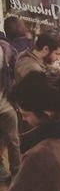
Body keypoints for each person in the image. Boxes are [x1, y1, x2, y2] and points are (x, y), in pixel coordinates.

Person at [0, 31, 20, 182]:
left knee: (13, 140)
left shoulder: (6, 50)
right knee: (11, 140)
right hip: (6, 101)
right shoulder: (7, 49)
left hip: (5, 102)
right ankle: (10, 172)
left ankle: (16, 174)